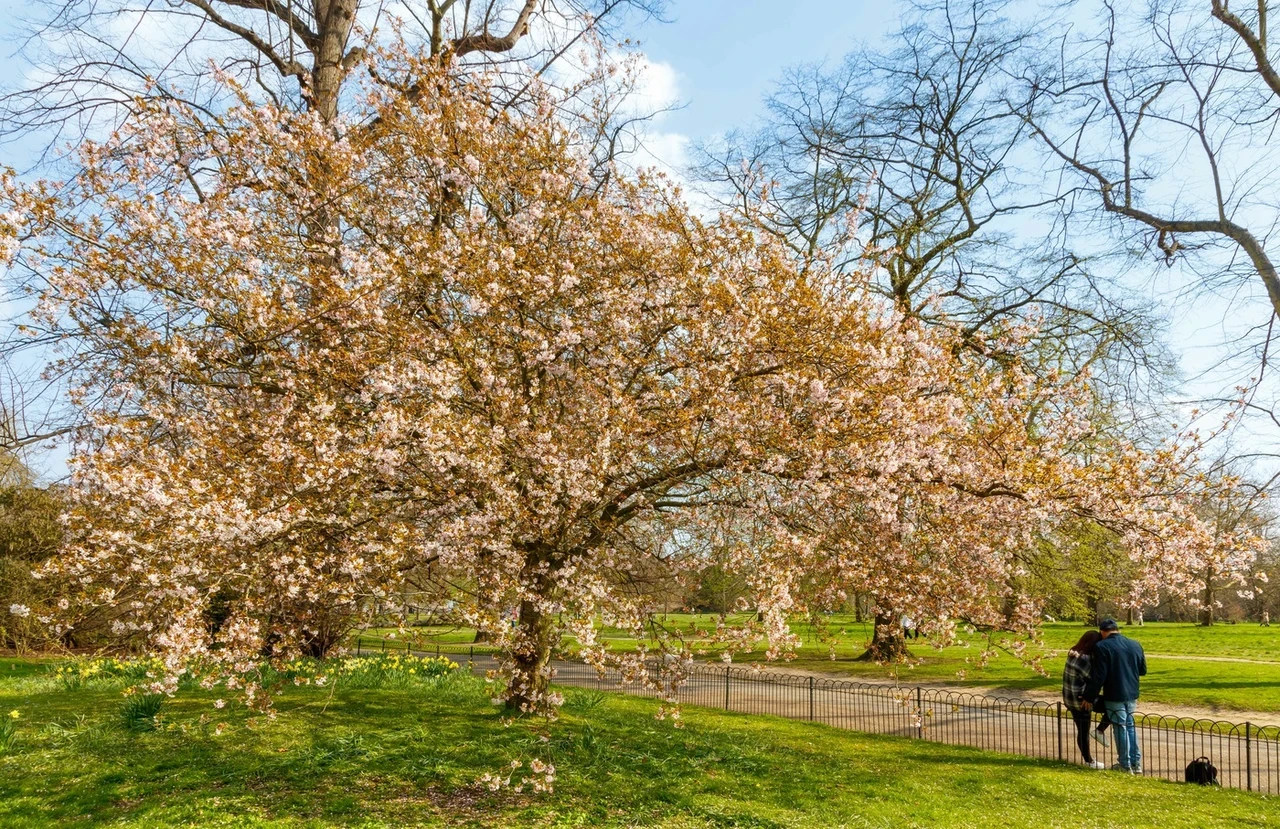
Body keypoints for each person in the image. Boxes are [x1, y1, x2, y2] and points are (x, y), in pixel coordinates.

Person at [1082, 618, 1147, 774]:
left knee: (1120, 728)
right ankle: (1136, 763)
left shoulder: (1102, 646)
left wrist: (1088, 697)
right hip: (1132, 693)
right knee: (1130, 727)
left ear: (1103, 632)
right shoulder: (1135, 644)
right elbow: (1143, 670)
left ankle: (1125, 765)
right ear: (1117, 629)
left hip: (1114, 693)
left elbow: (1099, 676)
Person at [1061, 630, 1112, 769]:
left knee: (1082, 730)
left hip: (1070, 698)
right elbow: (1094, 680)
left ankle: (1088, 760)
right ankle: (1099, 732)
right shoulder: (1086, 660)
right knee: (1113, 706)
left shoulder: (1073, 653)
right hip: (1082, 700)